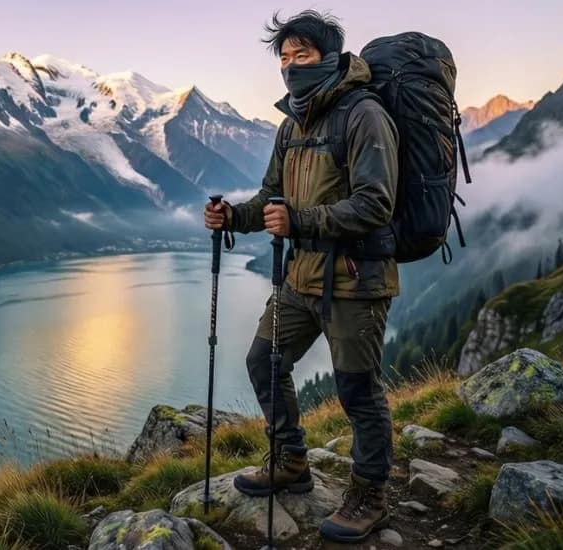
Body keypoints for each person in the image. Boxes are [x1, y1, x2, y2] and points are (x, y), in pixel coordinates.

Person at [203, 9, 399, 544]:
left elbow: (376, 203)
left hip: (357, 278)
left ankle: (370, 495)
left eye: (302, 55)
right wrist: (233, 218)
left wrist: (302, 220)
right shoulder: (292, 124)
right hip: (302, 277)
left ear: (329, 57)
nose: (291, 67)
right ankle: (290, 459)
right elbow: (272, 198)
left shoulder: (365, 115)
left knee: (357, 391)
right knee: (263, 361)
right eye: (284, 58)